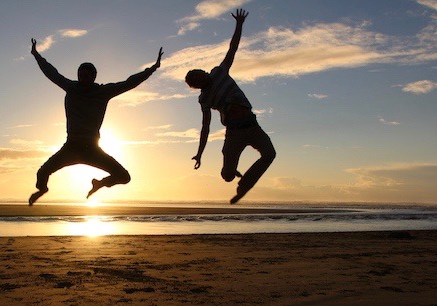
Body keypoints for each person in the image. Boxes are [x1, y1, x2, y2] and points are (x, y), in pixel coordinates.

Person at [28, 38, 163, 205]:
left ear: (93, 77)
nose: (82, 79)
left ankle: (99, 183)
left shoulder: (103, 91)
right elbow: (51, 72)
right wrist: (36, 55)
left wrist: (153, 69)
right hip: (71, 146)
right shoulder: (70, 87)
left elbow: (130, 83)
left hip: (92, 149)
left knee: (124, 177)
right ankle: (42, 189)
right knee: (42, 173)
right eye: (80, 75)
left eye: (86, 76)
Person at [185, 9, 276, 204]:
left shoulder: (219, 72)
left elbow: (232, 49)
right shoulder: (204, 99)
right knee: (227, 175)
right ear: (197, 85)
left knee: (270, 154)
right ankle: (231, 169)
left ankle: (245, 185)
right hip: (233, 133)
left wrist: (239, 24)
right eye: (196, 78)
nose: (201, 75)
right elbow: (205, 127)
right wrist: (200, 153)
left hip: (252, 126)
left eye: (199, 72)